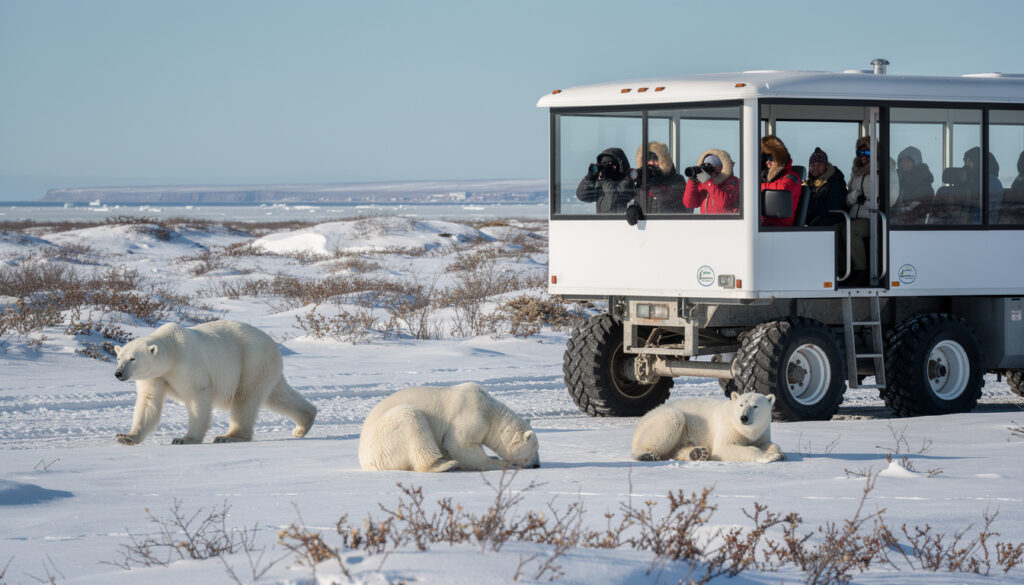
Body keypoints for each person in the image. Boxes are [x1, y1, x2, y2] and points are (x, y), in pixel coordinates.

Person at [633, 142, 688, 213]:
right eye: (648, 160)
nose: (651, 163)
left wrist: (655, 186)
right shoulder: (643, 182)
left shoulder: (677, 180)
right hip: (647, 224)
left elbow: (670, 202)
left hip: (669, 223)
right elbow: (638, 204)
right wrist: (633, 209)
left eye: (655, 159)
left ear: (663, 161)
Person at [576, 148, 634, 214]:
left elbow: (615, 198)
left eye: (611, 164)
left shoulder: (626, 181)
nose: (608, 167)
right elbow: (582, 196)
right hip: (602, 223)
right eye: (604, 164)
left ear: (620, 165)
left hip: (618, 223)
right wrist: (590, 178)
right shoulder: (602, 182)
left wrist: (605, 179)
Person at [759, 135, 801, 226]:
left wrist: (756, 187)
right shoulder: (766, 179)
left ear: (779, 158)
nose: (767, 162)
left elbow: (783, 189)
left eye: (771, 158)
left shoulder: (792, 177)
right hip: (764, 224)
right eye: (765, 158)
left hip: (779, 228)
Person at [682, 149, 740, 214]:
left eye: (713, 167)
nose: (708, 170)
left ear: (722, 167)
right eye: (705, 166)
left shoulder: (733, 182)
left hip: (727, 223)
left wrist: (708, 182)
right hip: (707, 223)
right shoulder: (704, 184)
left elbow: (723, 203)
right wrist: (692, 182)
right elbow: (690, 204)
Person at [803, 147, 846, 226]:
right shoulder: (808, 185)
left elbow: (834, 206)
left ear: (826, 167)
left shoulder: (835, 181)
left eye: (819, 165)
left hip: (833, 220)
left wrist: (810, 210)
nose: (815, 167)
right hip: (817, 219)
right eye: (812, 165)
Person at [892, 146, 934, 223]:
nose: (903, 164)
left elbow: (928, 205)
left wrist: (912, 206)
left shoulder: (924, 180)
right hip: (893, 221)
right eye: (902, 161)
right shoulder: (895, 178)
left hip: (914, 225)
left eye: (907, 161)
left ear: (916, 162)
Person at [962, 146, 1003, 223]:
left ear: (979, 163)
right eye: (965, 161)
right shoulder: (972, 181)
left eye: (970, 161)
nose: (966, 164)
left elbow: (983, 215)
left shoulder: (991, 184)